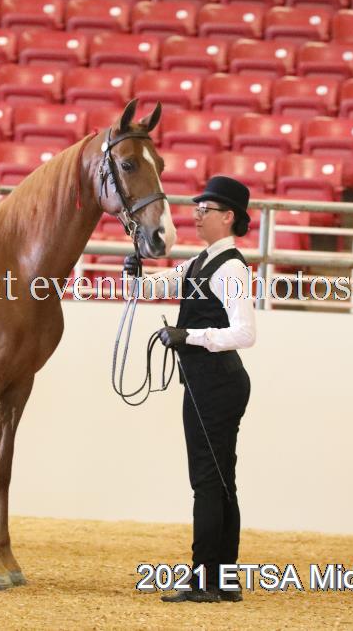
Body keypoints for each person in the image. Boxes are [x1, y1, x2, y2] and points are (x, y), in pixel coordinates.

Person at [125, 175, 256, 603]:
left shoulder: (231, 269)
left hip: (216, 383)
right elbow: (157, 286)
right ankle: (224, 580)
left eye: (205, 210)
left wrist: (190, 336)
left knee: (207, 482)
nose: (197, 216)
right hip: (208, 383)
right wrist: (135, 276)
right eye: (197, 209)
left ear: (228, 217)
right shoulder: (201, 262)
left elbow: (245, 333)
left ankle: (204, 580)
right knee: (219, 481)